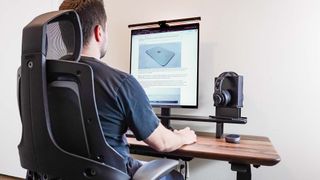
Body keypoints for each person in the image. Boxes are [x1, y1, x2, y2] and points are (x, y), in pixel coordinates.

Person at [59, 0, 197, 179]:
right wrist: (183, 137)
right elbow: (162, 143)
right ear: (99, 32)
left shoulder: (39, 78)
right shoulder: (120, 83)